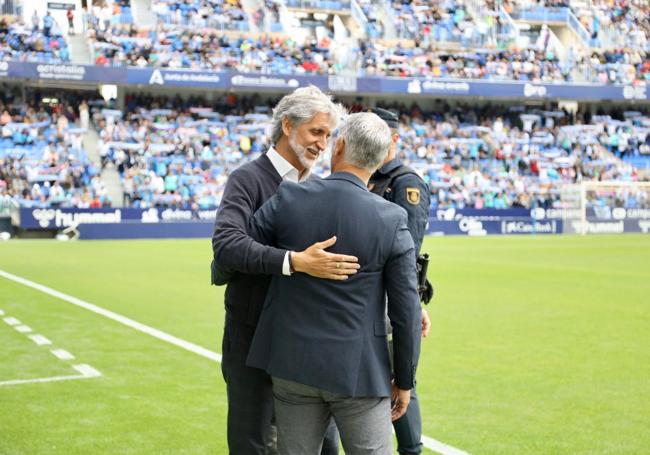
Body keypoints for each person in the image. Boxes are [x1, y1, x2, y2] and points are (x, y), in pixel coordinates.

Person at [245, 112, 422, 454]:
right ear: (381, 156)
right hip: (359, 372)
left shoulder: (289, 197)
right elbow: (406, 310)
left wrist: (292, 262)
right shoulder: (390, 217)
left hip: (292, 363)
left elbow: (240, 251)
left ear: (338, 146)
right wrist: (405, 380)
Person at [211, 86, 358, 455]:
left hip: (307, 342)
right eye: (316, 131)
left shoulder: (320, 188)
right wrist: (294, 261)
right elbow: (227, 245)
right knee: (253, 443)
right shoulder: (247, 179)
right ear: (288, 125)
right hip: (251, 337)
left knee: (323, 445)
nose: (323, 143)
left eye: (328, 135)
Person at [367, 107, 432, 455]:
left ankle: (411, 448)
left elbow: (408, 250)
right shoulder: (367, 175)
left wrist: (411, 304)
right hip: (364, 296)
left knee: (400, 377)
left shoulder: (405, 183)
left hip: (391, 298)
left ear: (393, 139)